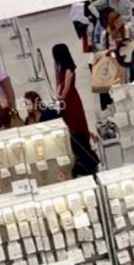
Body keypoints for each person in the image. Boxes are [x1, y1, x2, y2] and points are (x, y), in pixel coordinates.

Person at [52, 43, 98, 174]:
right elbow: (59, 84)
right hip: (65, 100)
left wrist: (60, 96)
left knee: (75, 123)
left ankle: (83, 145)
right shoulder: (60, 68)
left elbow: (67, 87)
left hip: (71, 100)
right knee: (69, 123)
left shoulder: (69, 69)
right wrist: (58, 94)